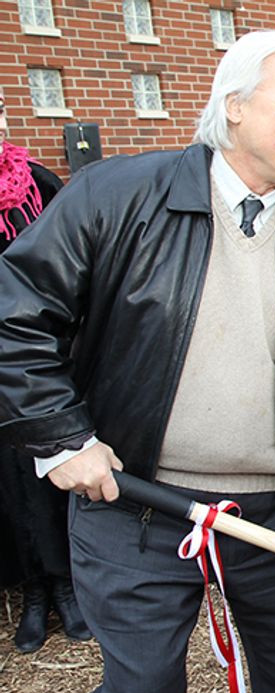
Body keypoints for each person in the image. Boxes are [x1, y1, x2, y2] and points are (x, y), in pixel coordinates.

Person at [0, 32, 275, 693]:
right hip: (134, 503)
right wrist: (60, 438)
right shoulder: (116, 198)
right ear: (234, 107)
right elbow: (15, 314)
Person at [0, 91, 90, 653]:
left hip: (41, 357)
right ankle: (34, 592)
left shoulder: (38, 183)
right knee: (8, 485)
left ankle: (69, 587)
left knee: (51, 464)